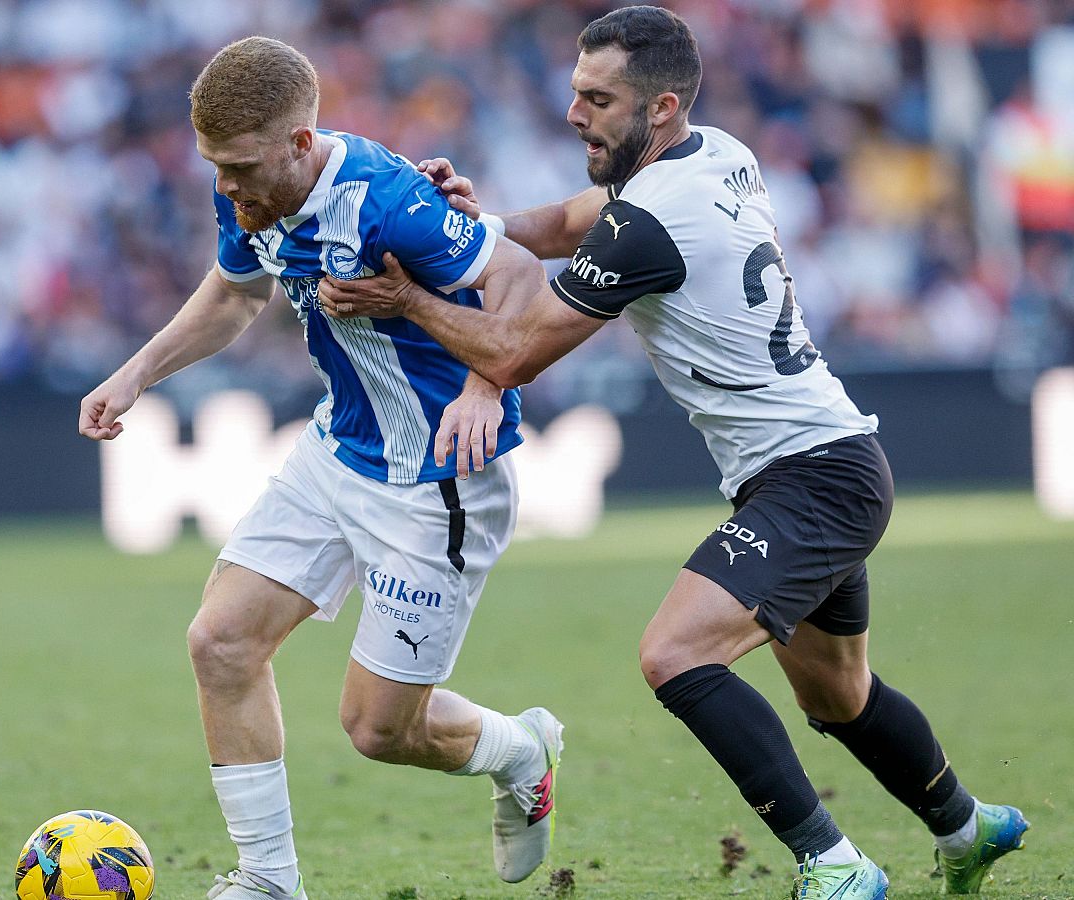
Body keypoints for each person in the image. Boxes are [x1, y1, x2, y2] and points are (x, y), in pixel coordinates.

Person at [318, 6, 1029, 898]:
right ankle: (968, 829)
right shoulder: (716, 151)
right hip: (829, 462)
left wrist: (408, 299)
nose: (573, 111)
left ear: (658, 109)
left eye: (596, 98)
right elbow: (588, 214)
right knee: (838, 696)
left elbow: (511, 352)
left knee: (675, 654)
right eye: (575, 91)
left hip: (814, 479)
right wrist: (483, 226)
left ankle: (835, 866)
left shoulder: (655, 220)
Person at [77, 36, 565, 900]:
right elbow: (235, 291)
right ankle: (269, 881)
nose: (226, 186)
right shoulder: (252, 190)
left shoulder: (387, 201)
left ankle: (522, 752)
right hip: (336, 450)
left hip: (436, 479)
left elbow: (521, 279)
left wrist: (488, 387)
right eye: (214, 167)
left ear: (300, 142)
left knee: (378, 731)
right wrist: (135, 373)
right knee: (220, 642)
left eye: (239, 166)